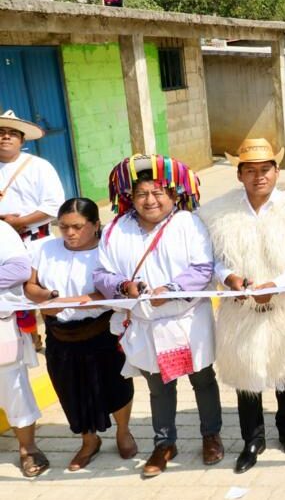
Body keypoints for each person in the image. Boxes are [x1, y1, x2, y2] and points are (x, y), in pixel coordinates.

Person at [93, 154, 223, 477]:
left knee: (202, 379)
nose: (150, 200)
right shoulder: (115, 231)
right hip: (145, 323)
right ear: (130, 198)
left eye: (157, 192)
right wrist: (123, 286)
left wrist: (174, 289)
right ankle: (165, 442)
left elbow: (203, 268)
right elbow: (101, 275)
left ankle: (211, 435)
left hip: (186, 320)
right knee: (158, 387)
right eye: (141, 194)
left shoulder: (189, 223)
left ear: (173, 194)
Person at [197, 139, 285, 473]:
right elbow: (215, 258)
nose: (258, 177)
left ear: (277, 171)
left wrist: (276, 285)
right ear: (239, 175)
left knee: (284, 369)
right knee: (245, 369)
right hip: (240, 306)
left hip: (282, 305)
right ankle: (252, 438)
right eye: (250, 171)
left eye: (265, 169)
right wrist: (230, 277)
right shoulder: (219, 213)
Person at [23, 198, 136, 471]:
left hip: (101, 331)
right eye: (63, 227)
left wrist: (73, 301)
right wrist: (48, 297)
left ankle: (123, 432)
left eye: (77, 227)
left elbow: (113, 291)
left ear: (96, 225)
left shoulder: (108, 251)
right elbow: (30, 286)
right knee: (70, 390)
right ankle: (89, 441)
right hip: (60, 334)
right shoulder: (44, 249)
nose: (70, 233)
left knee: (115, 384)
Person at [0, 110, 66, 351]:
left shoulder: (39, 167)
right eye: (0, 133)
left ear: (22, 140)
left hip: (36, 241)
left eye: (11, 134)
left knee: (40, 291)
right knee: (8, 297)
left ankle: (52, 338)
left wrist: (21, 222)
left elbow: (54, 205)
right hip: (2, 246)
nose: (5, 137)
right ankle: (24, 341)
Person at [0, 220, 46, 477]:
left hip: (2, 325)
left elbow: (19, 270)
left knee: (13, 388)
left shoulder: (2, 231)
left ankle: (28, 449)